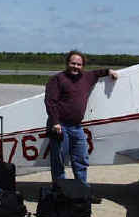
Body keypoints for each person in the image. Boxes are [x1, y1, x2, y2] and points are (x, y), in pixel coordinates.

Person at [44, 50, 118, 189]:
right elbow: (50, 102)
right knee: (59, 161)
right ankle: (59, 190)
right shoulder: (57, 79)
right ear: (67, 63)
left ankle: (82, 190)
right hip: (60, 127)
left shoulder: (87, 77)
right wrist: (55, 122)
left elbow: (97, 73)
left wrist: (109, 71)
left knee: (81, 159)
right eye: (73, 63)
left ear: (82, 66)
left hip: (77, 127)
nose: (76, 67)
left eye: (79, 64)